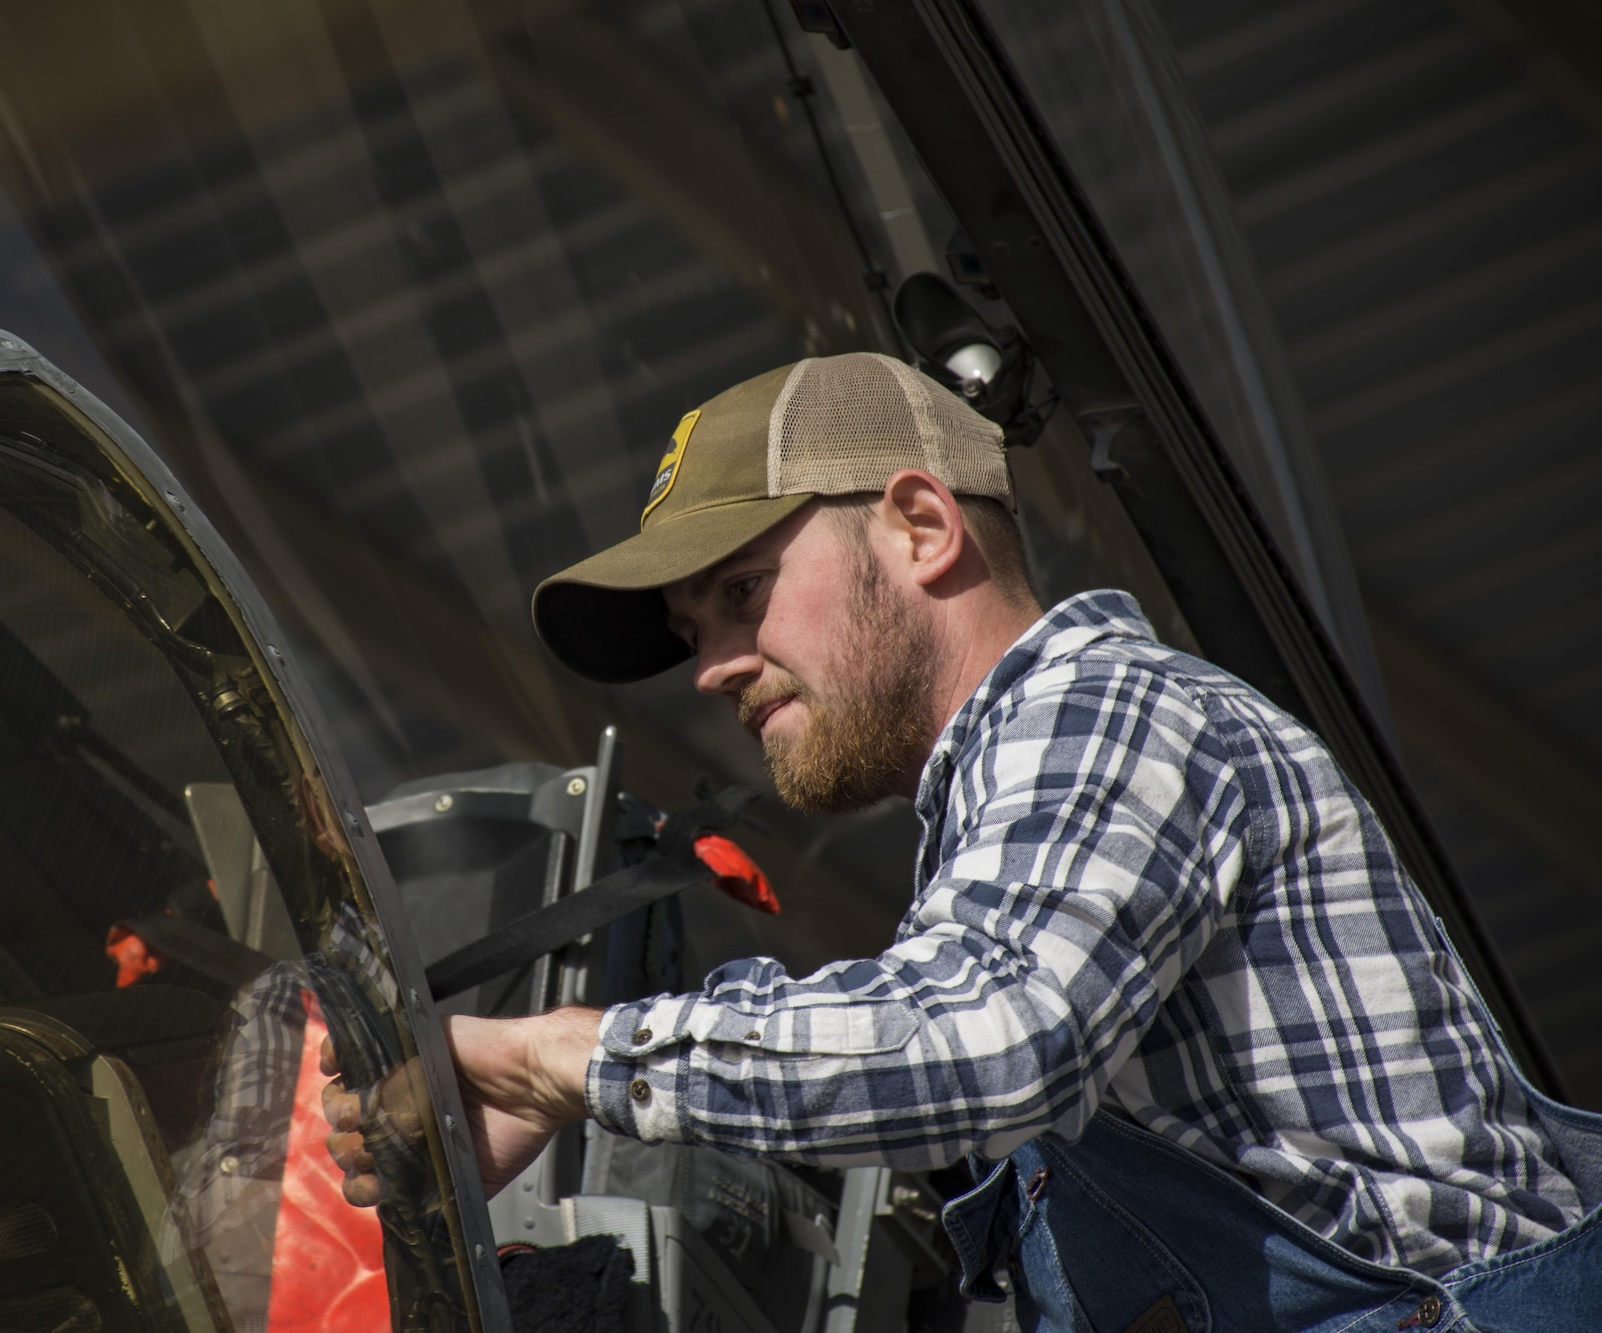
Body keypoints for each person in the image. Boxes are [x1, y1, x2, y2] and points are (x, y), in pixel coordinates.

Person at [328, 352, 1602, 1329]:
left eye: (739, 592)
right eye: (688, 629)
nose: (709, 665)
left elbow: (987, 1037)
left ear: (922, 526)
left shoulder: (1108, 712)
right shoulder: (1002, 832)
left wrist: (562, 1055)